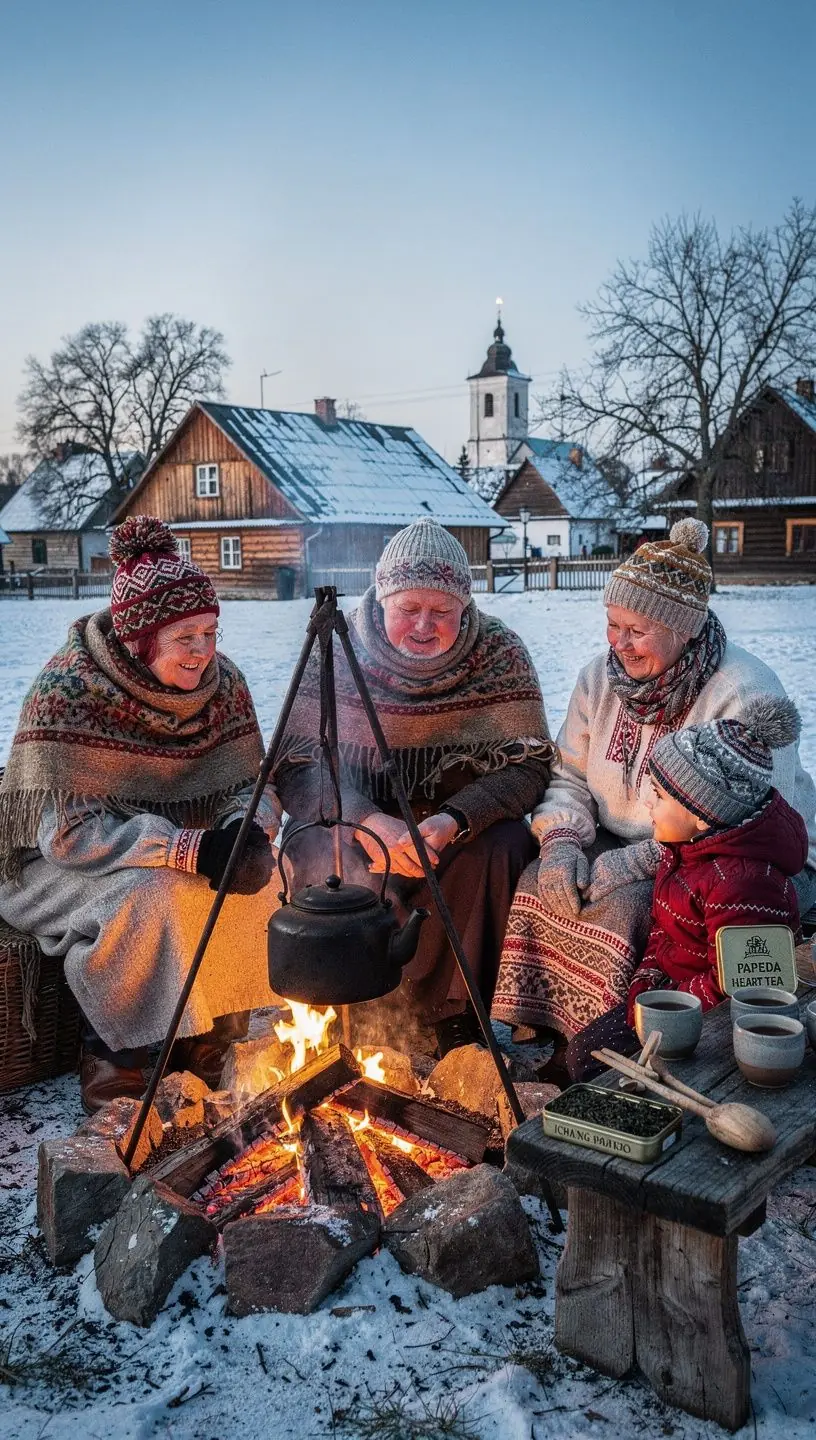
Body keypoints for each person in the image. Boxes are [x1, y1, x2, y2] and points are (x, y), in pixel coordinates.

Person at [492, 519, 816, 1068]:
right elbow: (568, 774)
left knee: (637, 906)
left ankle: (609, 1051)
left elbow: (748, 825)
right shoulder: (600, 678)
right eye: (611, 624)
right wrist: (562, 843)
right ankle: (545, 1030)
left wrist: (639, 861)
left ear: (684, 628)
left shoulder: (742, 691)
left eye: (636, 630)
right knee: (535, 883)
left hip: (732, 859)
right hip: (624, 839)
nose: (617, 643)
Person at [0, 517, 280, 1111]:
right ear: (139, 639)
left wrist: (241, 828)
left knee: (255, 877)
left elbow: (246, 782)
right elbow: (69, 836)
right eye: (185, 638)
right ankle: (114, 1056)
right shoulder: (71, 691)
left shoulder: (223, 684)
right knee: (151, 894)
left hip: (157, 844)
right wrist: (189, 848)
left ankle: (211, 1033)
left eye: (211, 631)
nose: (204, 652)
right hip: (49, 865)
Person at [275, 517, 555, 1054]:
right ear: (381, 602)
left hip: (455, 823)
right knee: (318, 842)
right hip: (362, 815)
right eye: (409, 610)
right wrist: (367, 822)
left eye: (442, 612)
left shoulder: (500, 653)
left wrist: (454, 819)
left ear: (465, 607)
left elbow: (528, 765)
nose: (424, 626)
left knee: (506, 847)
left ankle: (456, 1013)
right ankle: (349, 1000)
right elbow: (297, 764)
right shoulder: (337, 647)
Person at [565, 696, 808, 1079]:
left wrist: (665, 1008)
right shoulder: (685, 852)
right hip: (674, 993)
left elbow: (741, 987)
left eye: (659, 796)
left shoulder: (743, 884)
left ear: (700, 815)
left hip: (709, 1022)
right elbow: (664, 929)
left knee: (588, 1059)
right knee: (584, 1050)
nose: (648, 804)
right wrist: (645, 982)